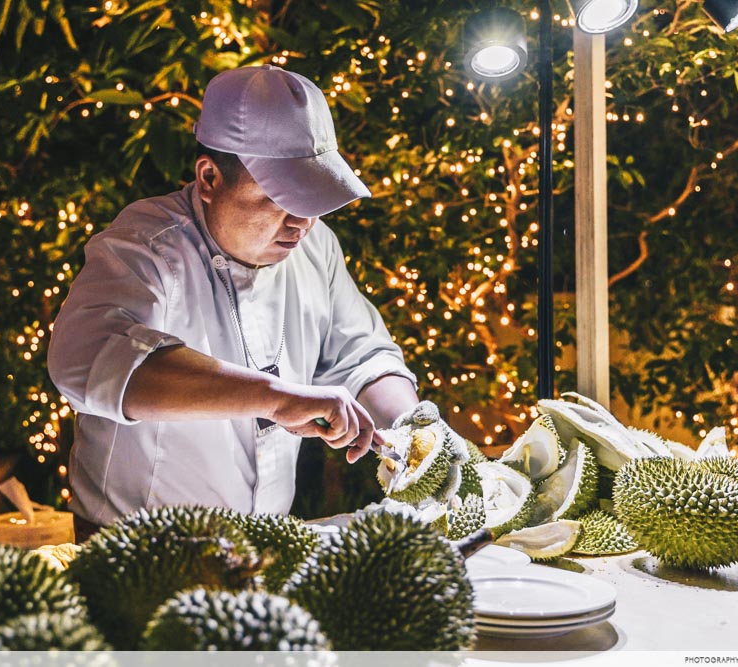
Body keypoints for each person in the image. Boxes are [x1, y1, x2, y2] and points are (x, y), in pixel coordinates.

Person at [48, 65, 450, 538]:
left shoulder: (315, 247)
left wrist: (415, 429)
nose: (300, 223)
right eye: (279, 198)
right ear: (209, 177)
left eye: (313, 200)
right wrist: (275, 398)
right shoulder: (147, 244)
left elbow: (360, 355)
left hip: (264, 542)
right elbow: (87, 361)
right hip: (135, 545)